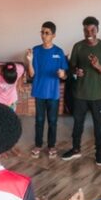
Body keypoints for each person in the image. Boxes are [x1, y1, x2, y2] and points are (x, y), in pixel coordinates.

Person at [62, 16, 101, 166]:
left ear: (97, 30)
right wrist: (76, 71)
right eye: (86, 30)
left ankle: (99, 152)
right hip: (80, 94)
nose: (89, 32)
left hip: (98, 95)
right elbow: (71, 67)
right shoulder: (78, 46)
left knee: (98, 125)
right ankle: (76, 149)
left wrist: (98, 66)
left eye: (92, 29)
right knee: (78, 123)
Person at [26, 21, 68, 159]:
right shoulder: (36, 50)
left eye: (47, 33)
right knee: (39, 120)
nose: (43, 35)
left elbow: (65, 75)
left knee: (53, 121)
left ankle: (51, 146)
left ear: (53, 35)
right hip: (39, 91)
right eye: (42, 32)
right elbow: (31, 74)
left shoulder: (58, 52)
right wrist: (29, 61)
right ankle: (38, 145)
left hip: (53, 93)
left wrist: (63, 75)